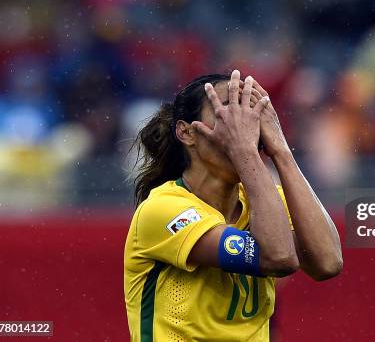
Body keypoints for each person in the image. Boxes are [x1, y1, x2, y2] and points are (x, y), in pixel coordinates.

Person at [124, 70, 343, 341]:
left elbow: (328, 262)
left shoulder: (265, 200)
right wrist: (246, 151)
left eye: (250, 111)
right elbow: (279, 257)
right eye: (227, 109)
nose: (245, 124)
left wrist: (281, 150)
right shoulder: (164, 208)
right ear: (187, 132)